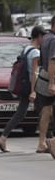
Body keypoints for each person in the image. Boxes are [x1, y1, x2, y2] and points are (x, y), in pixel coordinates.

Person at [0, 25, 46, 153]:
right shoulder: (35, 52)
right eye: (43, 37)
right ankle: (45, 142)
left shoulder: (26, 49)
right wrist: (34, 91)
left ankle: (3, 137)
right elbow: (34, 73)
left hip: (24, 86)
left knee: (20, 113)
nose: (44, 39)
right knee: (46, 112)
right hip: (32, 86)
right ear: (39, 36)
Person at [36, 16, 55, 158]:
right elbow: (52, 62)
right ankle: (53, 141)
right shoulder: (54, 40)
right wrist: (52, 83)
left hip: (42, 77)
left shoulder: (46, 38)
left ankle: (41, 142)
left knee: (46, 112)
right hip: (51, 78)